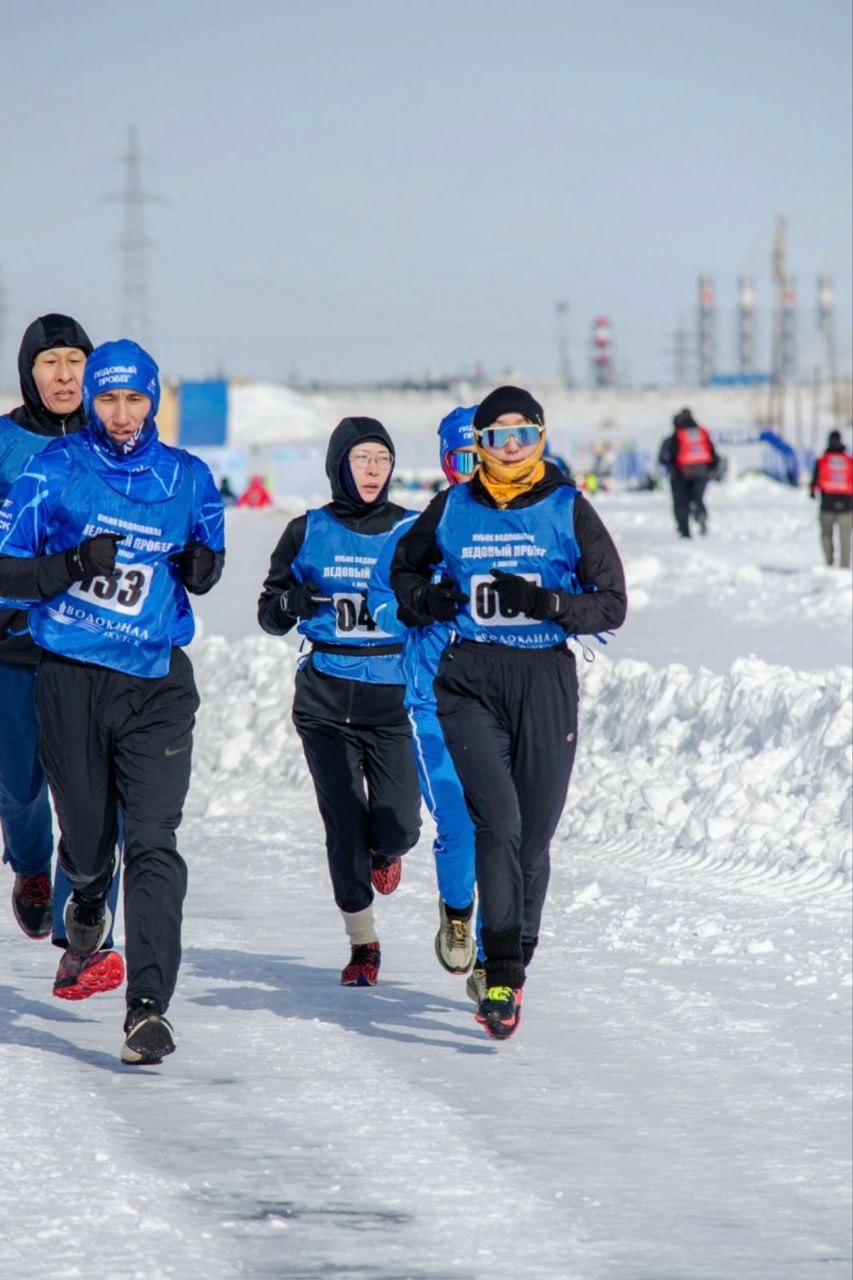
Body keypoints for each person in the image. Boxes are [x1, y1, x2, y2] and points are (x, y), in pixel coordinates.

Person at [0, 339, 225, 1064]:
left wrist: (204, 565)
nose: (122, 414)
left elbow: (208, 555)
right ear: (91, 401)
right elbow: (5, 572)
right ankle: (87, 895)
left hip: (156, 683)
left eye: (134, 399)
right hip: (69, 679)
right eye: (108, 399)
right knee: (91, 842)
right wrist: (68, 566)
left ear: (152, 400)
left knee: (154, 841)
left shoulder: (187, 476)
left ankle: (148, 1009)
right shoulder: (53, 471)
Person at [390, 385, 627, 1040]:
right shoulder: (452, 508)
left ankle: (515, 947)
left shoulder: (565, 508)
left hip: (543, 680)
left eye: (523, 435)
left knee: (533, 834)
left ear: (541, 441)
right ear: (480, 446)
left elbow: (610, 604)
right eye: (496, 437)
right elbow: (403, 575)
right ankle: (500, 975)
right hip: (469, 680)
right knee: (496, 822)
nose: (510, 447)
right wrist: (429, 601)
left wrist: (549, 604)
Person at [257, 417, 421, 987]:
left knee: (399, 824)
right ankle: (363, 942)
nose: (373, 470)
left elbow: (436, 600)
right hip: (323, 700)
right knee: (343, 824)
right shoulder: (307, 531)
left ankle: (387, 849)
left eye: (382, 459)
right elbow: (269, 612)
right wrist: (292, 603)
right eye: (361, 459)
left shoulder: (413, 530)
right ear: (338, 466)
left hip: (390, 696)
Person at [0, 314, 123, 1000]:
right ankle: (28, 861)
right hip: (11, 647)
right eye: (51, 361)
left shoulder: (110, 445)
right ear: (30, 371)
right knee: (20, 786)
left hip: (90, 650)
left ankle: (85, 940)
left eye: (76, 360)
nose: (66, 374)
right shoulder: (4, 444)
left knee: (93, 799)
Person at [368, 406, 482, 989]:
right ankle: (460, 914)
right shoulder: (417, 531)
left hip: (502, 702)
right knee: (460, 819)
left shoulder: (518, 525)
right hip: (434, 701)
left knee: (504, 825)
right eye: (462, 459)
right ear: (444, 462)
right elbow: (382, 602)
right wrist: (422, 600)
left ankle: (494, 953)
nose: (472, 470)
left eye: (481, 456)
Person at [658, 408, 719, 538]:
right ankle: (700, 513)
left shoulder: (676, 435)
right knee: (698, 497)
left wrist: (670, 468)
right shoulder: (701, 433)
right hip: (702, 472)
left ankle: (684, 530)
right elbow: (713, 454)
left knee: (681, 502)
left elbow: (666, 457)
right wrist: (711, 470)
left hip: (681, 473)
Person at [810, 430, 852, 569]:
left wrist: (812, 491)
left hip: (827, 505)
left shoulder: (822, 460)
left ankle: (829, 561)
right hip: (846, 506)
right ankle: (845, 567)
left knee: (826, 534)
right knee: (845, 537)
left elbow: (814, 481)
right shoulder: (849, 460)